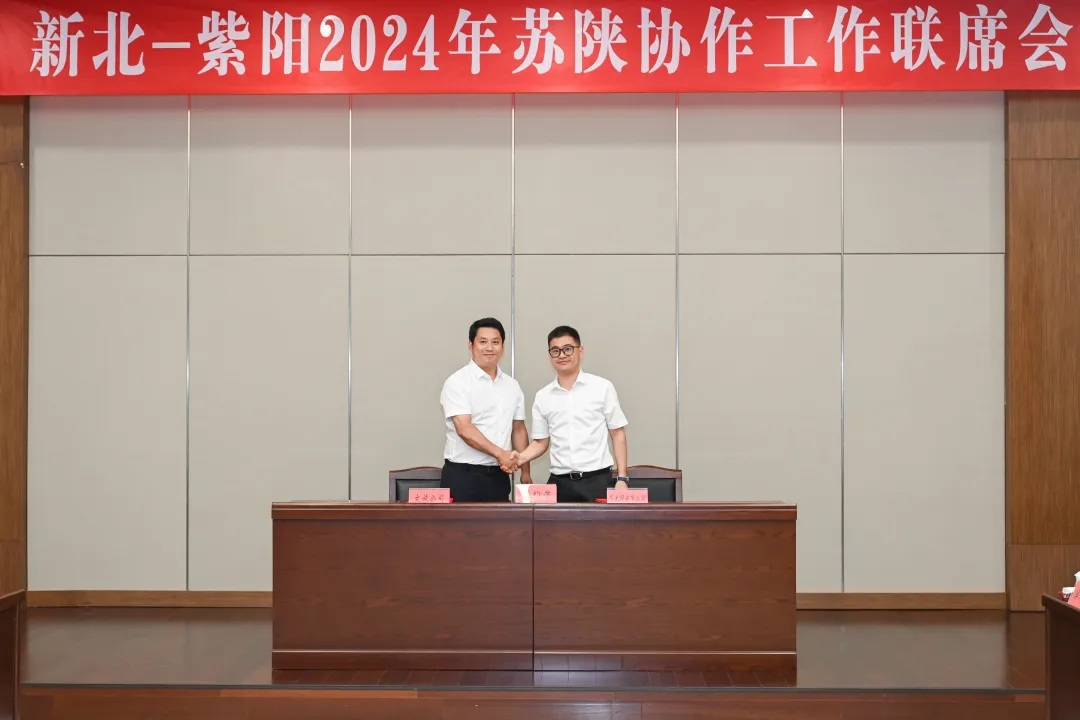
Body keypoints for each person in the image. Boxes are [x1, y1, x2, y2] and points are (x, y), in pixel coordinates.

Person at [513, 325, 629, 503]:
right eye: (555, 351)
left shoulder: (602, 387)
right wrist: (519, 458)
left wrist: (622, 478)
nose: (562, 355)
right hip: (560, 483)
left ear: (580, 351)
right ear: (550, 356)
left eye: (568, 349)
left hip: (597, 480)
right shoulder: (543, 396)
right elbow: (541, 442)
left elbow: (617, 433)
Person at [439, 318, 531, 502]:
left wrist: (525, 472)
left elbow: (519, 429)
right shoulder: (457, 382)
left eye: (495, 342)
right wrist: (500, 454)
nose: (489, 348)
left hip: (499, 476)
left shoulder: (512, 386)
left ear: (502, 347)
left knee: (502, 522)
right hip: (463, 476)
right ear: (471, 345)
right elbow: (464, 429)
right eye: (483, 342)